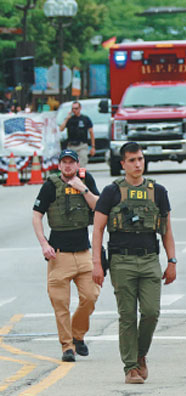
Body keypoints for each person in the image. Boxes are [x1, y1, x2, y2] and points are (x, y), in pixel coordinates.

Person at [91, 142, 176, 384]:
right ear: (123, 164)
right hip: (121, 260)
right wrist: (97, 263)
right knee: (127, 315)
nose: (137, 164)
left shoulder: (158, 191)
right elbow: (97, 230)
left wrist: (172, 261)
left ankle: (140, 354)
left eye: (140, 159)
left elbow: (166, 229)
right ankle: (130, 367)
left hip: (150, 259)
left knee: (151, 312)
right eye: (132, 160)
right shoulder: (111, 192)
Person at [32, 149, 101, 362]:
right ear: (60, 165)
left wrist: (84, 190)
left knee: (90, 296)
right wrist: (44, 244)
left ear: (77, 164)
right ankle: (67, 347)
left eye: (72, 162)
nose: (68, 166)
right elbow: (36, 215)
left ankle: (77, 335)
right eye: (65, 162)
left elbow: (99, 208)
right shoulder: (50, 186)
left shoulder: (85, 179)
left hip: (83, 252)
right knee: (60, 303)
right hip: (58, 255)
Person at [59, 101, 95, 167]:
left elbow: (91, 132)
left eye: (76, 108)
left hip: (82, 146)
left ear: (80, 108)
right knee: (71, 166)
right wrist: (67, 118)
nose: (74, 110)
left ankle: (81, 177)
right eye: (73, 109)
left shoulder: (85, 119)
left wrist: (93, 147)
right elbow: (61, 129)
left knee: (81, 165)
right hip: (71, 146)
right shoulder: (69, 119)